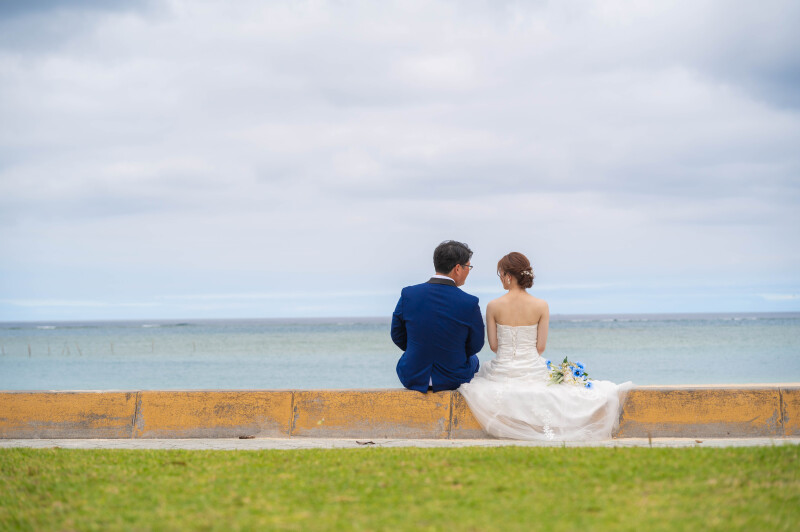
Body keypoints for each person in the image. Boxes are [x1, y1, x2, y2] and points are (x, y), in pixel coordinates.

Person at [458, 252, 632, 441]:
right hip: (532, 366)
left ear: (508, 276)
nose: (501, 279)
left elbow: (493, 346)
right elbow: (540, 347)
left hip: (502, 368)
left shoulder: (493, 305)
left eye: (500, 274)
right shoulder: (541, 305)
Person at [391, 240, 484, 393]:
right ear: (458, 268)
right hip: (453, 378)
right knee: (474, 360)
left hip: (412, 376)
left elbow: (397, 334)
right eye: (468, 266)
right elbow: (476, 344)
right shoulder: (470, 302)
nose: (469, 271)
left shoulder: (409, 294)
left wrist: (420, 349)